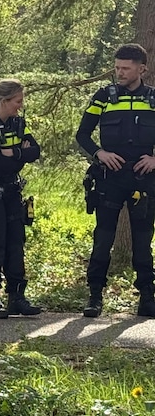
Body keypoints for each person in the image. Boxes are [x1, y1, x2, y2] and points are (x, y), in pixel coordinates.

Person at [76, 43, 155, 318]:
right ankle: (95, 296)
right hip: (110, 179)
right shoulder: (103, 97)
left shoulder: (152, 98)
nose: (119, 72)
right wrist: (100, 153)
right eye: (117, 67)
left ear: (141, 69)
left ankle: (147, 297)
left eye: (125, 68)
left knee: (143, 241)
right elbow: (82, 135)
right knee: (103, 238)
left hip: (144, 180)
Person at [0, 79, 42, 319]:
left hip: (13, 192)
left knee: (16, 243)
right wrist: (17, 155)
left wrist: (16, 153)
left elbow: (35, 151)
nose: (20, 106)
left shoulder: (18, 123)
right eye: (18, 101)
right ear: (4, 101)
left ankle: (17, 297)